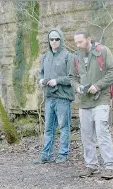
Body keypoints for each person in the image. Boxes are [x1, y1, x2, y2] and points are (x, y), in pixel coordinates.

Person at [70, 28, 113, 180]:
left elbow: (112, 71)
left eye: (80, 41)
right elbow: (72, 77)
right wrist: (77, 87)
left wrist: (97, 86)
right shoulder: (75, 57)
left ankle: (110, 166)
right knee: (86, 135)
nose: (78, 45)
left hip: (101, 98)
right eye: (76, 42)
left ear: (89, 39)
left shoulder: (103, 51)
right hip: (84, 102)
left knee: (102, 131)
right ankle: (91, 165)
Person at [37, 28, 74, 164]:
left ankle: (63, 155)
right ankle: (46, 155)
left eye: (56, 39)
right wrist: (40, 80)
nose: (54, 41)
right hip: (49, 97)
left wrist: (57, 81)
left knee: (63, 127)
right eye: (51, 39)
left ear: (61, 40)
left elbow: (73, 78)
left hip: (63, 98)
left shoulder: (68, 56)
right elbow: (40, 73)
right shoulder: (45, 57)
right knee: (48, 128)